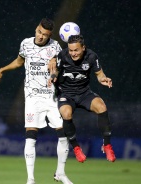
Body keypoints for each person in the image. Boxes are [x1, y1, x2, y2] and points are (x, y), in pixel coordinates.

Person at [0, 18, 73, 184]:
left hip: (51, 96)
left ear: (50, 35)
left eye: (45, 35)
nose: (41, 37)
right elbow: (19, 61)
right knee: (30, 136)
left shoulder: (55, 47)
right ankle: (30, 179)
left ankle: (60, 173)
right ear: (36, 29)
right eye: (39, 32)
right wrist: (3, 69)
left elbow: (60, 68)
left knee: (64, 134)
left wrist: (55, 70)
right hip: (32, 97)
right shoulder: (26, 44)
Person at [49, 34, 116, 163]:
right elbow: (55, 70)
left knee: (101, 106)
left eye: (76, 50)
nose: (73, 53)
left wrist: (104, 79)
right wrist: (53, 76)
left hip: (84, 93)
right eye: (71, 50)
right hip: (66, 94)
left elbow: (99, 74)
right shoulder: (62, 55)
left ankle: (107, 145)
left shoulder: (91, 56)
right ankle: (76, 147)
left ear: (83, 48)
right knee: (66, 113)